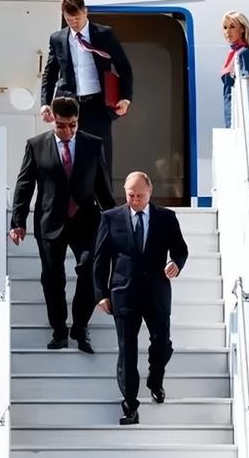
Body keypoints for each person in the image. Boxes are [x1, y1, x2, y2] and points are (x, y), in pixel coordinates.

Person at [10, 96, 115, 353]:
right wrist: (18, 221)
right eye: (61, 125)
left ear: (78, 121)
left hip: (86, 221)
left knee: (89, 269)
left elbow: (102, 186)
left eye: (72, 125)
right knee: (52, 278)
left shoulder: (93, 144)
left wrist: (115, 221)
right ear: (52, 121)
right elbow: (25, 185)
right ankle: (59, 330)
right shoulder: (36, 145)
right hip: (50, 221)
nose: (67, 131)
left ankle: (80, 327)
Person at [93, 172, 188, 425]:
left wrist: (176, 263)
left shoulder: (166, 218)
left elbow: (180, 248)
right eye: (130, 195)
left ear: (150, 192)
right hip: (123, 294)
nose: (135, 200)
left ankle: (155, 380)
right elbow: (100, 260)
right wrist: (100, 294)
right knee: (127, 351)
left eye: (140, 196)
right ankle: (130, 406)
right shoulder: (110, 218)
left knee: (162, 343)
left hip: (157, 293)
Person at [40, 0, 133, 180]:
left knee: (101, 157)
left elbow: (123, 67)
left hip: (97, 104)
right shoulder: (58, 38)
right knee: (68, 156)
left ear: (85, 12)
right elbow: (50, 73)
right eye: (69, 19)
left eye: (77, 18)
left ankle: (102, 197)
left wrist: (125, 98)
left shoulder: (104, 34)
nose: (74, 23)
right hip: (69, 105)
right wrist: (45, 103)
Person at [221, 11, 249, 127]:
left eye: (232, 27)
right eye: (225, 27)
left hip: (239, 114)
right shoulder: (234, 53)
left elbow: (246, 85)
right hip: (231, 110)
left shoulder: (243, 53)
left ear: (242, 29)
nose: (227, 32)